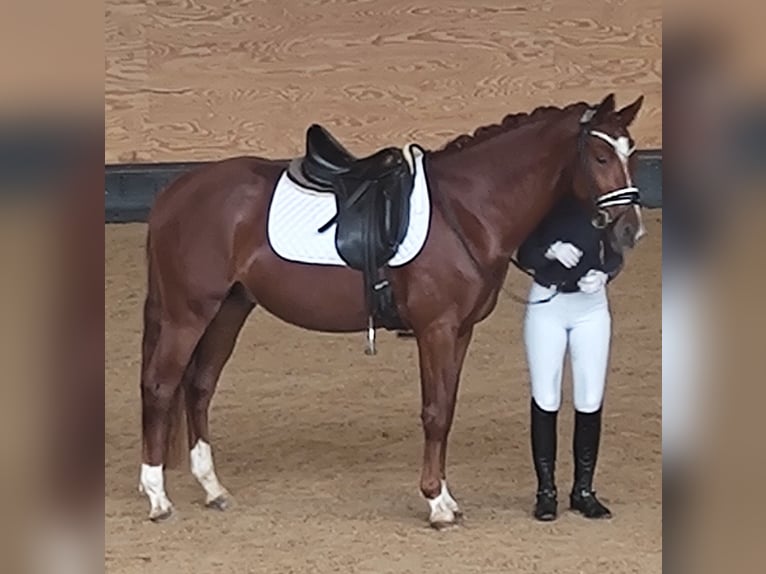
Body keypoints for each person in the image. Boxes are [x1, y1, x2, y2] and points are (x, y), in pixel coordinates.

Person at [516, 195, 625, 521]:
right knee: (545, 395)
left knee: (590, 397)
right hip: (548, 303)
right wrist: (550, 250)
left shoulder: (600, 207)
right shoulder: (541, 204)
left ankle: (583, 489)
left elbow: (616, 251)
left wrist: (605, 274)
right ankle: (545, 490)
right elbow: (525, 253)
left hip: (590, 307)